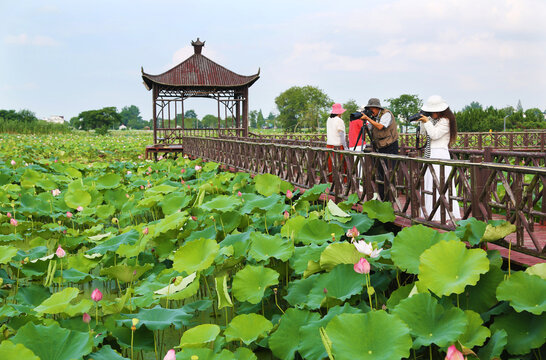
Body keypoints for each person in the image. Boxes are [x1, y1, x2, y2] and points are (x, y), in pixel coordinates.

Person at [416, 95, 461, 222]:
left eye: (432, 111)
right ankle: (429, 212)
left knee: (441, 184)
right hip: (430, 154)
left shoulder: (446, 121)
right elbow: (425, 133)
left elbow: (435, 135)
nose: (430, 113)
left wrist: (427, 121)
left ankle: (444, 214)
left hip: (440, 154)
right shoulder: (434, 120)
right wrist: (423, 121)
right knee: (430, 183)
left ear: (440, 110)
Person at [360, 98, 399, 200]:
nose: (370, 111)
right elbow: (371, 129)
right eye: (369, 109)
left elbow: (381, 126)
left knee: (389, 172)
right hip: (380, 147)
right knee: (380, 172)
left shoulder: (386, 114)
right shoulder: (374, 117)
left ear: (377, 108)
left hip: (390, 146)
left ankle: (391, 197)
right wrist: (365, 122)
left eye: (371, 109)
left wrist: (368, 119)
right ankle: (382, 196)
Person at [326, 103, 347, 182]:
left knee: (331, 164)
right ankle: (343, 181)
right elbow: (341, 134)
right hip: (338, 145)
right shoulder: (339, 120)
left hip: (329, 144)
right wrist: (345, 146)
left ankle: (331, 181)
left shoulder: (329, 119)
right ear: (339, 112)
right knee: (342, 165)